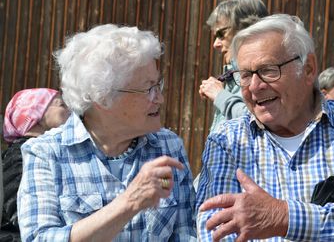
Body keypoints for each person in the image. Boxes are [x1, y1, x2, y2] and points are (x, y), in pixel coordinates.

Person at [196, 14, 334, 241]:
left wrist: (286, 217)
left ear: (309, 68)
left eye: (268, 70)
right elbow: (213, 231)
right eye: (245, 75)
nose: (255, 86)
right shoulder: (227, 141)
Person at [17, 25, 196, 241]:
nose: (159, 98)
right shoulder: (46, 153)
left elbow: (187, 233)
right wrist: (129, 202)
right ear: (102, 97)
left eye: (158, 85)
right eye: (148, 88)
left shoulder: (168, 147)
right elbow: (39, 238)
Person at [1, 88, 70, 241]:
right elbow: (20, 214)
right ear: (35, 115)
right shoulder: (20, 157)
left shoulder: (52, 150)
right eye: (62, 105)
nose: (70, 110)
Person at [199, 0, 269, 133]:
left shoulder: (266, 72)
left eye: (221, 34)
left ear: (246, 28)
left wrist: (220, 95)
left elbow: (258, 121)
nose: (215, 44)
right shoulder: (235, 72)